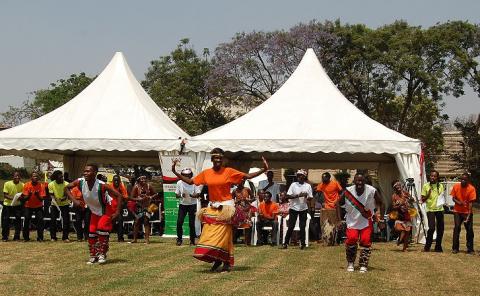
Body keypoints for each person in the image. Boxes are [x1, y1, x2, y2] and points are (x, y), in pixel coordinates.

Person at [172, 147, 269, 272]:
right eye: (215, 158)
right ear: (212, 160)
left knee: (224, 235)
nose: (218, 160)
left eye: (220, 158)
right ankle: (217, 258)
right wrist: (175, 172)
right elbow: (191, 181)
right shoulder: (206, 173)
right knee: (209, 233)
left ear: (222, 160)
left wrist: (264, 169)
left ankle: (224, 261)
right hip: (213, 206)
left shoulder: (228, 171)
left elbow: (248, 175)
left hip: (226, 207)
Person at [66, 164, 122, 264]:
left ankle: (102, 254)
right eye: (85, 171)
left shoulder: (102, 185)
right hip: (94, 210)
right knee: (91, 232)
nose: (85, 173)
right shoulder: (80, 182)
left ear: (95, 173)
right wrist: (74, 200)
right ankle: (93, 255)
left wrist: (117, 212)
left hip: (105, 209)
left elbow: (119, 195)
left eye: (88, 171)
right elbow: (66, 188)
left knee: (101, 228)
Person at [336, 173, 384, 273]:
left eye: (362, 181)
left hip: (366, 221)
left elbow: (381, 203)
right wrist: (339, 220)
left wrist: (381, 219)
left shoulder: (371, 190)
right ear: (354, 181)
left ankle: (363, 264)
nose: (360, 183)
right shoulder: (348, 191)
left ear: (365, 182)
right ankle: (350, 263)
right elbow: (337, 203)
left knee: (366, 241)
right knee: (351, 240)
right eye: (357, 181)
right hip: (352, 221)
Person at [282, 169, 313, 250]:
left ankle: (302, 244)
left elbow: (310, 198)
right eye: (298, 175)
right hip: (294, 208)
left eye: (300, 175)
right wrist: (298, 195)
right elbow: (287, 196)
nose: (298, 177)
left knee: (302, 226)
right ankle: (285, 243)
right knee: (291, 226)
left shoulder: (308, 186)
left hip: (303, 208)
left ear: (304, 176)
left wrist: (306, 196)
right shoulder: (293, 185)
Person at [451, 173, 477, 254]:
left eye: (464, 180)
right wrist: (459, 202)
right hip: (457, 211)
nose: (462, 181)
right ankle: (455, 248)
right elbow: (453, 198)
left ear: (468, 180)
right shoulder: (456, 186)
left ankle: (470, 249)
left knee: (469, 230)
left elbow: (471, 204)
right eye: (461, 179)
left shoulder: (471, 189)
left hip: (467, 212)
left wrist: (468, 216)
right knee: (457, 227)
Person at [175, 168, 202, 246]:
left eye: (188, 175)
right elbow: (176, 195)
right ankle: (179, 239)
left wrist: (192, 195)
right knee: (179, 222)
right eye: (184, 175)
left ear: (191, 175)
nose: (186, 177)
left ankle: (192, 240)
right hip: (183, 205)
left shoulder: (194, 182)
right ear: (182, 175)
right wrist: (181, 195)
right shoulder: (179, 183)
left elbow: (197, 193)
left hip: (192, 205)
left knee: (191, 223)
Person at [421, 170, 445, 252]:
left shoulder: (440, 186)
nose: (432, 177)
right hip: (430, 209)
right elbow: (422, 199)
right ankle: (427, 247)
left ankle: (438, 247)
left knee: (440, 229)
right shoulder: (426, 186)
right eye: (431, 176)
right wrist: (428, 194)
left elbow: (441, 197)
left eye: (434, 176)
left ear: (437, 177)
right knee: (431, 228)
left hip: (439, 209)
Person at [316, 172, 343, 245]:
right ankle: (327, 240)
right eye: (322, 178)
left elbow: (341, 192)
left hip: (335, 206)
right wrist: (322, 202)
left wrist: (338, 200)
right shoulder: (321, 184)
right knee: (326, 225)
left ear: (329, 178)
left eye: (324, 178)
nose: (323, 180)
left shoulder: (335, 183)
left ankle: (336, 240)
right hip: (326, 207)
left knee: (336, 224)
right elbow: (318, 194)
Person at [129, 175, 156, 244]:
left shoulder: (149, 186)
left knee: (146, 221)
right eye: (142, 179)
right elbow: (131, 198)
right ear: (139, 180)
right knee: (136, 222)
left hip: (148, 206)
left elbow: (155, 194)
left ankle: (147, 239)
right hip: (139, 206)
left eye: (145, 179)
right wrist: (139, 199)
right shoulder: (136, 187)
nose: (144, 180)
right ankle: (135, 239)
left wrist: (150, 197)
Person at [21, 171, 47, 242]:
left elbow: (42, 199)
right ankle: (26, 238)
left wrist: (37, 195)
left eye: (36, 176)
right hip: (28, 206)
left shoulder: (41, 186)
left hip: (38, 206)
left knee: (40, 220)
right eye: (34, 176)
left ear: (38, 178)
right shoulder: (26, 185)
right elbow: (24, 198)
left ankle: (40, 237)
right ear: (31, 178)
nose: (35, 177)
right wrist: (29, 195)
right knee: (26, 219)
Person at [48, 170, 71, 242]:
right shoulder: (51, 184)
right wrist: (55, 199)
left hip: (65, 204)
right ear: (56, 178)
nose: (62, 178)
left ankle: (65, 237)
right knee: (53, 220)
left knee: (66, 220)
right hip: (54, 204)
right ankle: (53, 237)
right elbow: (51, 195)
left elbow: (67, 194)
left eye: (62, 177)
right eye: (60, 177)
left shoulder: (66, 183)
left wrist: (63, 198)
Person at [391, 180, 413, 251]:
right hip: (399, 216)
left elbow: (412, 200)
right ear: (394, 188)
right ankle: (400, 238)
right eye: (396, 186)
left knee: (407, 232)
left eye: (399, 185)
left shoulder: (405, 193)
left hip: (407, 215)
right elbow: (393, 207)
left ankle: (404, 248)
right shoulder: (394, 196)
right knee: (399, 229)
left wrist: (410, 199)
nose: (398, 187)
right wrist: (400, 205)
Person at [2, 171, 24, 241]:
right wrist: (14, 198)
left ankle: (16, 236)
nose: (17, 177)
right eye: (15, 176)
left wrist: (20, 198)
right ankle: (5, 236)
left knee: (18, 220)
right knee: (6, 220)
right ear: (13, 177)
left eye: (18, 176)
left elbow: (23, 195)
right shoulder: (7, 183)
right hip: (7, 205)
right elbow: (5, 195)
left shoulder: (22, 185)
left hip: (17, 205)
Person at [110, 175, 128, 242]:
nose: (116, 182)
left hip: (118, 209)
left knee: (120, 221)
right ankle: (105, 236)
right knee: (109, 222)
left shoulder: (122, 187)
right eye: (115, 180)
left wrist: (123, 203)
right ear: (113, 181)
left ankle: (120, 238)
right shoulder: (109, 186)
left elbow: (126, 197)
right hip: (110, 208)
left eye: (118, 180)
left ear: (120, 181)